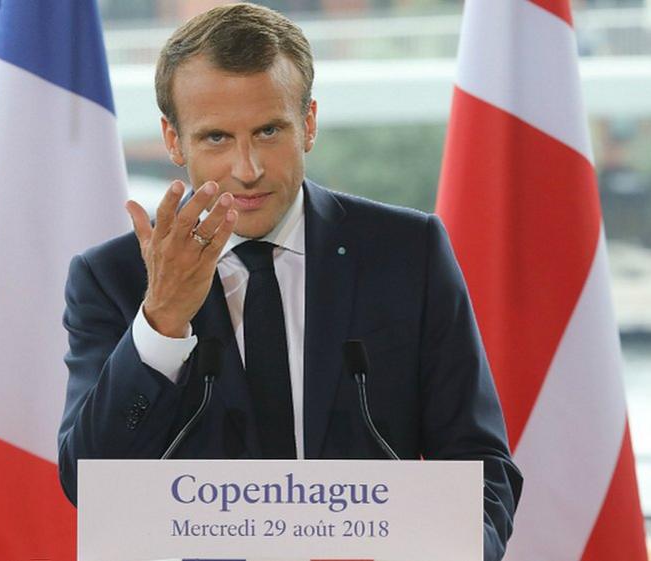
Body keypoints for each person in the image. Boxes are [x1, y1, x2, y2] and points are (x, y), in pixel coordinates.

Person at [58, 3, 522, 559]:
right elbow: (91, 484)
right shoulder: (112, 277)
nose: (247, 168)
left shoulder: (408, 252)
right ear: (174, 140)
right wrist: (161, 321)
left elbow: (480, 464)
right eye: (216, 139)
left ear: (308, 123)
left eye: (269, 130)